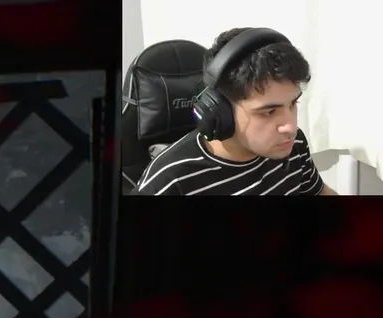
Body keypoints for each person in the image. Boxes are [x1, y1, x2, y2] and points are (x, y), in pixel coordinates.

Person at [135, 27, 337, 196]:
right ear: (220, 111)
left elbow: (320, 193)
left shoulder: (294, 145)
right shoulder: (170, 181)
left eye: (293, 104)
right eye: (269, 112)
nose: (290, 127)